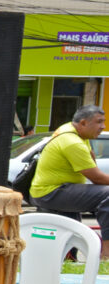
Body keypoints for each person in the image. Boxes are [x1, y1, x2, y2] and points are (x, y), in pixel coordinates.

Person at [29, 105, 109, 258]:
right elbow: (96, 177)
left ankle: (68, 257)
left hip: (56, 190)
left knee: (67, 241)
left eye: (103, 122)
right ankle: (106, 254)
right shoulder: (73, 142)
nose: (103, 127)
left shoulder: (72, 131)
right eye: (99, 122)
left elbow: (91, 163)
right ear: (83, 123)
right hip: (52, 192)